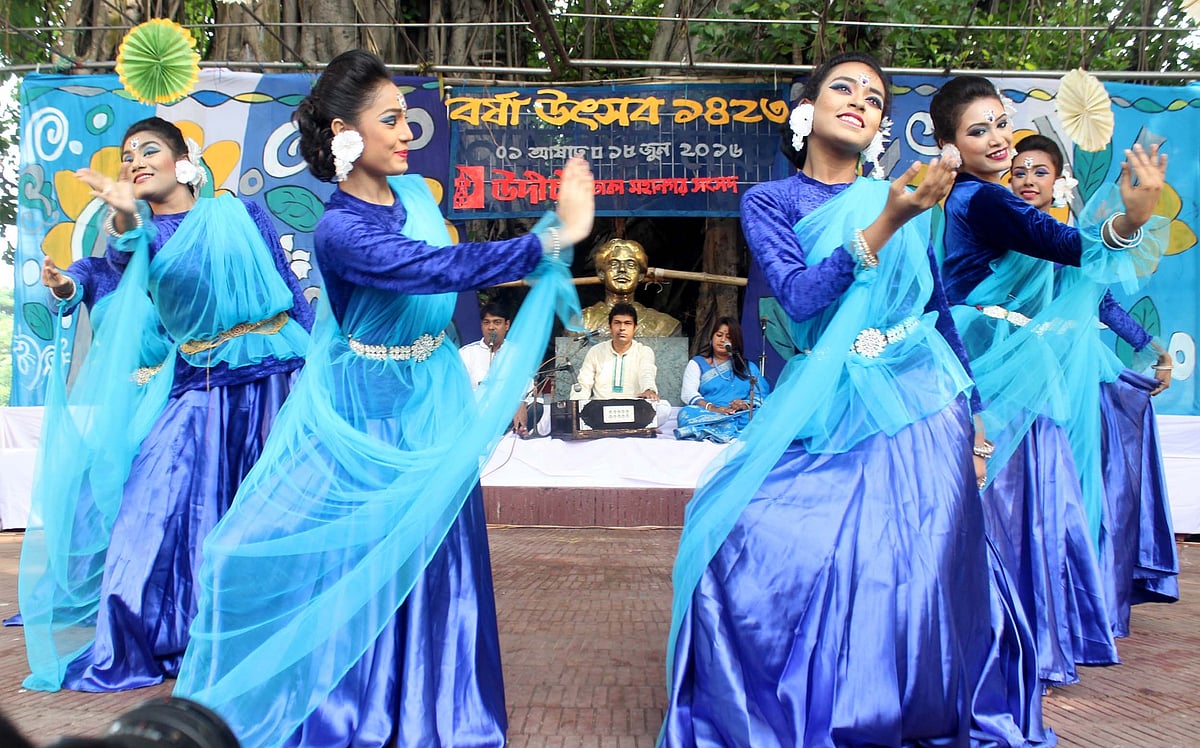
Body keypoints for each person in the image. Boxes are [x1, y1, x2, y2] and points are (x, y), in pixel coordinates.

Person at [173, 50, 593, 748]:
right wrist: (553, 235)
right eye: (391, 120)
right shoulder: (340, 229)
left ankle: (438, 706)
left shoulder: (416, 195)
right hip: (372, 415)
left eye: (407, 119)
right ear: (344, 131)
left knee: (437, 558)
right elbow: (434, 269)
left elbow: (443, 265)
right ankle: (358, 712)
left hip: (433, 398)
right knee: (354, 557)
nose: (407, 133)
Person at [661, 53, 1048, 747]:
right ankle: (803, 705)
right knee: (739, 535)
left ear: (880, 126)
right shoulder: (772, 201)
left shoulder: (902, 194)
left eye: (875, 98)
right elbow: (804, 299)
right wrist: (887, 222)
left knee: (911, 565)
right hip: (825, 401)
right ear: (804, 110)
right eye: (844, 87)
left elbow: (938, 310)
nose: (860, 101)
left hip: (921, 401)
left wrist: (978, 420)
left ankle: (904, 707)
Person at [19, 117, 313, 694]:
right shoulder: (144, 236)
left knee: (270, 513)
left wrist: (317, 370)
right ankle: (152, 633)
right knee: (149, 508)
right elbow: (112, 265)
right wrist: (104, 239)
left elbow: (291, 289)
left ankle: (266, 634)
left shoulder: (239, 211)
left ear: (185, 162)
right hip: (197, 386)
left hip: (278, 376)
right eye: (127, 155)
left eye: (148, 149)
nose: (135, 160)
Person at [932, 75, 1168, 685]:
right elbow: (1062, 244)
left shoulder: (967, 198)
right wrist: (1128, 224)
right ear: (951, 145)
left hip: (1008, 361)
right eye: (977, 130)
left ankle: (999, 637)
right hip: (997, 366)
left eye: (1000, 123)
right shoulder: (983, 200)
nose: (997, 138)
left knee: (1008, 504)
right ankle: (1000, 643)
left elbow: (1079, 276)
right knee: (1006, 505)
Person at [1010, 135, 1178, 637]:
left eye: (1040, 171)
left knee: (1077, 488)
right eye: (1019, 171)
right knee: (1023, 491)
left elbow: (1102, 304)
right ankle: (1023, 609)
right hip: (1017, 374)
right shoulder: (1001, 232)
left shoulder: (1079, 237)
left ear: (1060, 180)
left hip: (1075, 374)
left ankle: (1072, 612)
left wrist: (1151, 346)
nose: (1027, 180)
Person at [571, 302, 672, 428]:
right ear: (610, 327)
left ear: (635, 328)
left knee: (664, 408)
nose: (622, 328)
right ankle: (636, 426)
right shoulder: (596, 351)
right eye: (617, 323)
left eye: (627, 323)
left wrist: (649, 390)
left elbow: (647, 373)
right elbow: (583, 383)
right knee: (577, 411)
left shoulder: (644, 351)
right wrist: (575, 407)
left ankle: (623, 425)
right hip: (601, 407)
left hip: (633, 408)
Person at [459, 301, 550, 437]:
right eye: (486, 322)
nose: (491, 327)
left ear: (507, 325)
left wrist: (520, 403)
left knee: (537, 408)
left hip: (507, 411)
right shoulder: (466, 353)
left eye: (497, 322)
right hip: (475, 413)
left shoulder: (517, 353)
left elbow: (526, 384)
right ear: (481, 325)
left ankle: (510, 432)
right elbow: (458, 389)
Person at [674, 316, 769, 442]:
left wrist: (744, 405)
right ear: (712, 337)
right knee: (686, 413)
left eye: (729, 337)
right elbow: (688, 394)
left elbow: (761, 396)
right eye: (719, 335)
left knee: (763, 416)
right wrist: (713, 408)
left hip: (739, 414)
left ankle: (717, 429)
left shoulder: (747, 366)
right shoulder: (697, 363)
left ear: (736, 342)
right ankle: (730, 429)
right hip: (709, 412)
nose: (723, 340)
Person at [578, 238, 683, 336]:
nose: (622, 269)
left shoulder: (662, 325)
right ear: (601, 273)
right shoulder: (582, 321)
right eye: (614, 264)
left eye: (630, 265)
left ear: (641, 275)